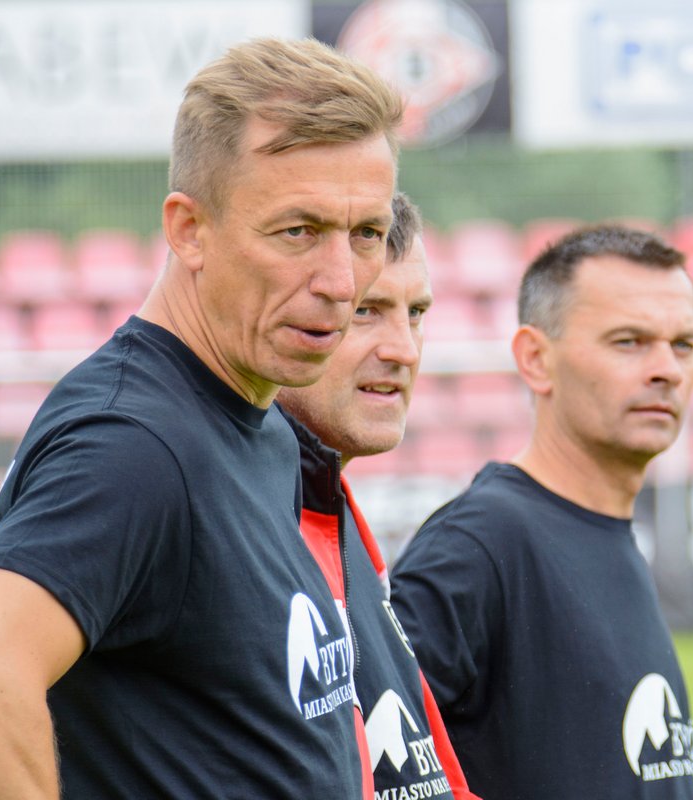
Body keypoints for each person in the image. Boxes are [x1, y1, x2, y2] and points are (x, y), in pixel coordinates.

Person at [0, 37, 402, 799]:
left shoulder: (258, 422)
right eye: (297, 231)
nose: (342, 281)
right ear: (188, 230)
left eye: (366, 233)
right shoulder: (134, 446)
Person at [390, 224, 693, 799]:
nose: (667, 369)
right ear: (536, 359)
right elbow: (366, 759)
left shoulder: (604, 529)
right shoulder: (479, 546)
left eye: (683, 344)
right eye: (629, 342)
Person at [277, 191, 479, 800]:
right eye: (365, 310)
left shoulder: (330, 503)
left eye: (415, 313)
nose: (404, 350)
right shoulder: (220, 514)